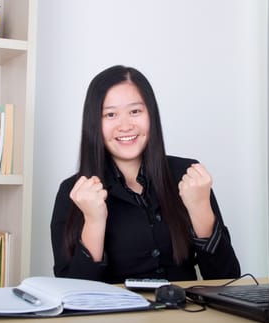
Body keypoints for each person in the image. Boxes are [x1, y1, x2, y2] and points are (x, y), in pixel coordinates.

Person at [50, 65, 240, 284]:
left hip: (184, 315)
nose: (125, 126)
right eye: (110, 114)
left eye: (135, 112)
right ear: (95, 123)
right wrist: (93, 221)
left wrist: (200, 209)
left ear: (151, 115)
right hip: (115, 317)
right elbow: (72, 292)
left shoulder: (188, 176)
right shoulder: (73, 192)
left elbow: (227, 280)